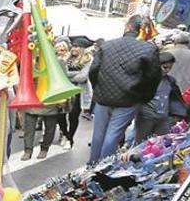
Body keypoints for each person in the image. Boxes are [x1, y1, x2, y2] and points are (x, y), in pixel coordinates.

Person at [88, 14, 161, 163]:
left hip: (103, 97)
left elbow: (93, 70)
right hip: (129, 98)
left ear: (128, 27)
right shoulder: (148, 49)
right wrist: (143, 97)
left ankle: (92, 164)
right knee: (113, 134)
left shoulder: (107, 45)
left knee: (98, 134)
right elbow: (153, 77)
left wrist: (98, 89)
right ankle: (102, 168)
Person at [134, 51, 183, 143]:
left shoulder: (170, 80)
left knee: (160, 144)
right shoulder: (146, 78)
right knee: (140, 143)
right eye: (165, 67)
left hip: (164, 118)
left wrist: (175, 115)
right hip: (146, 116)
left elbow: (175, 98)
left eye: (170, 68)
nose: (167, 70)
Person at [68, 37, 95, 121]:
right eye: (73, 46)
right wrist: (76, 73)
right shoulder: (68, 58)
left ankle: (70, 134)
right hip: (66, 89)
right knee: (61, 117)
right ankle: (64, 131)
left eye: (76, 46)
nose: (73, 49)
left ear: (82, 49)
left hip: (80, 91)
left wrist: (67, 77)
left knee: (73, 116)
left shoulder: (88, 59)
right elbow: (61, 73)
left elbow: (82, 77)